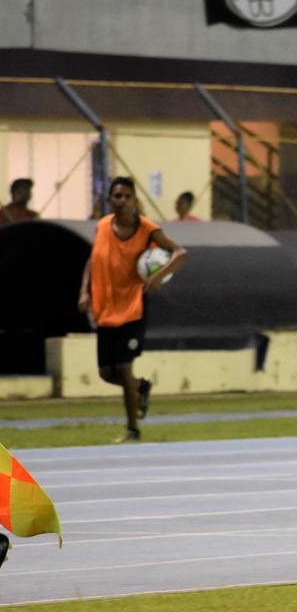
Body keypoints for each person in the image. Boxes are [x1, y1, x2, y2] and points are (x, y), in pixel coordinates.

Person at [77, 177, 187, 442]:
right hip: (105, 309)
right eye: (117, 196)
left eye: (127, 196)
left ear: (135, 200)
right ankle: (142, 387)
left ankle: (132, 430)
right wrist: (84, 291)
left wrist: (159, 276)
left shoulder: (147, 229)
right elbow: (92, 261)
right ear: (110, 200)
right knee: (107, 373)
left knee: (124, 369)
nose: (122, 201)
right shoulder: (103, 225)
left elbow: (180, 253)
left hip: (133, 308)